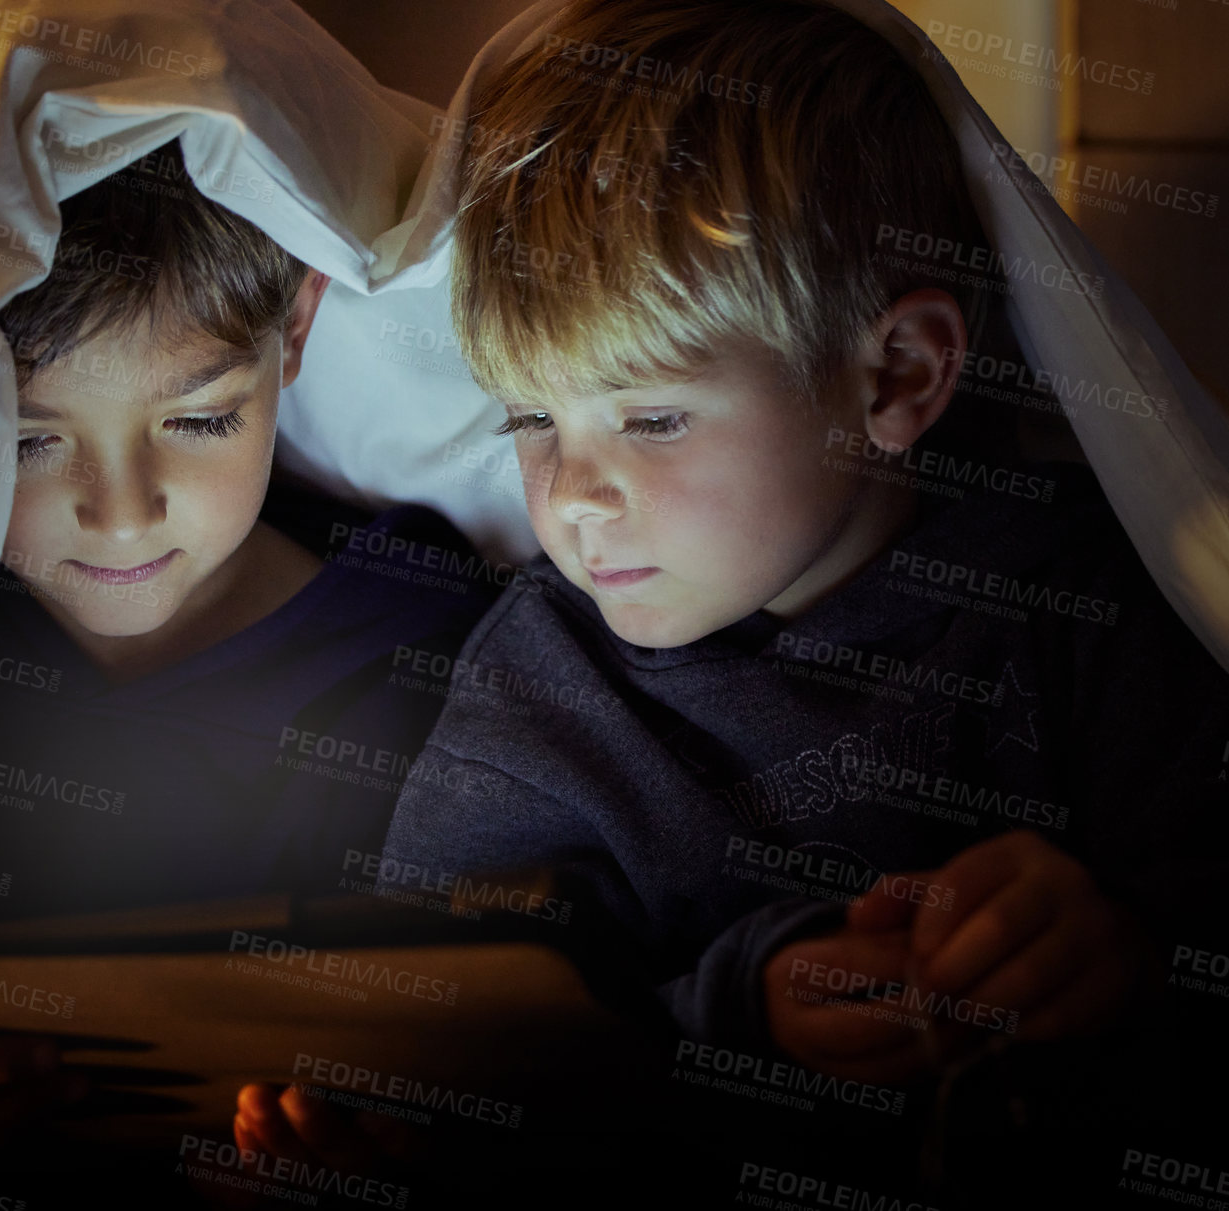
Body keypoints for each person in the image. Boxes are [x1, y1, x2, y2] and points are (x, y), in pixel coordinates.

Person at [235, 0, 1229, 1201]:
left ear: (897, 373)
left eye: (651, 418)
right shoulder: (538, 696)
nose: (577, 499)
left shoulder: (1086, 605)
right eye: (532, 420)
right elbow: (457, 1032)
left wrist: (1119, 947)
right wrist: (729, 1020)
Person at [0, 142, 496, 1168]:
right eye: (31, 441)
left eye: (200, 417)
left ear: (294, 325)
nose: (120, 515)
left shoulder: (431, 666)